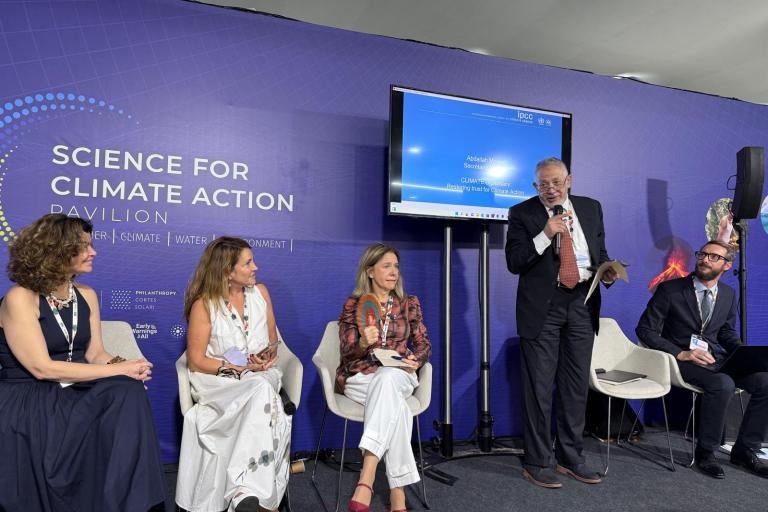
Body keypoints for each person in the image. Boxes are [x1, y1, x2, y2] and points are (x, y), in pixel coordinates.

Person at [0, 213, 165, 512]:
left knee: (128, 390)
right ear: (56, 250)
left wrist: (128, 365)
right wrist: (119, 369)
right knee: (121, 384)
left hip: (75, 386)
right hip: (30, 395)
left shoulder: (86, 295)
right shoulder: (20, 297)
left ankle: (129, 503)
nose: (94, 252)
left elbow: (96, 354)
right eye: (84, 246)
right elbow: (41, 368)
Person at [505, 157, 617, 489]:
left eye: (556, 182)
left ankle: (571, 457)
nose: (551, 189)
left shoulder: (591, 207)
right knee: (539, 388)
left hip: (582, 303)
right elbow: (514, 262)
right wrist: (545, 234)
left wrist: (607, 272)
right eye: (543, 184)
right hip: (544, 307)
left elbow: (599, 250)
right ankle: (538, 461)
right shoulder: (522, 213)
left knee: (575, 386)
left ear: (569, 180)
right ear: (535, 186)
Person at [176, 237, 291, 512]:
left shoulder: (261, 293)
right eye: (248, 263)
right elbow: (196, 361)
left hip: (261, 374)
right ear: (227, 270)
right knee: (263, 393)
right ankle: (260, 500)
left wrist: (264, 357)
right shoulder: (204, 304)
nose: (255, 267)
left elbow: (273, 342)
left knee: (261, 386)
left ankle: (243, 492)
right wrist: (239, 369)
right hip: (219, 380)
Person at [636, 240, 768, 479]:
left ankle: (745, 450)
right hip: (680, 360)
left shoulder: (728, 294)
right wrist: (681, 353)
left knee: (765, 382)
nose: (705, 259)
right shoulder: (670, 290)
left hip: (715, 359)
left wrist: (742, 353)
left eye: (713, 257)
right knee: (723, 383)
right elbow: (645, 330)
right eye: (703, 254)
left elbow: (726, 332)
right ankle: (706, 452)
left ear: (727, 265)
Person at [338, 243, 431, 512]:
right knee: (396, 407)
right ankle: (397, 493)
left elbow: (423, 343)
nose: (393, 272)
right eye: (386, 266)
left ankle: (366, 476)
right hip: (361, 376)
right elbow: (346, 351)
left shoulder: (409, 303)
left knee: (389, 377)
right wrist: (361, 343)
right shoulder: (354, 304)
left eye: (396, 266)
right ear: (370, 271)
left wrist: (417, 360)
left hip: (400, 373)